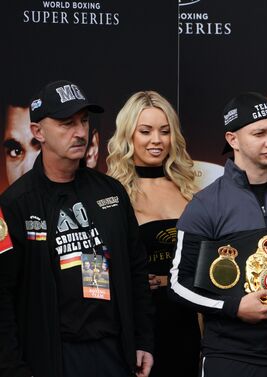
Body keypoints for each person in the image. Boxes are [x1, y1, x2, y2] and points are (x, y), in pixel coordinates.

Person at [0, 80, 154, 377]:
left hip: (114, 351)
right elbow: (2, 296)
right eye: (66, 123)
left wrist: (143, 339)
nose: (80, 132)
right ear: (38, 132)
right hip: (54, 355)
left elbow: (136, 270)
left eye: (84, 121)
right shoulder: (16, 203)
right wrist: (13, 368)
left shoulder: (111, 191)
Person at [168, 92, 267, 377]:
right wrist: (233, 307)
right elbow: (179, 284)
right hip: (232, 355)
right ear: (233, 140)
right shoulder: (206, 205)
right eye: (259, 133)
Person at [107, 90, 201, 377]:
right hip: (140, 321)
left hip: (187, 318)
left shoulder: (189, 189)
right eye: (145, 131)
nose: (157, 140)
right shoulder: (112, 193)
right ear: (128, 136)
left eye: (164, 131)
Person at [2, 102, 100, 188]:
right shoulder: (7, 204)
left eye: (41, 146)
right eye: (16, 152)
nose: (27, 170)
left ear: (91, 150)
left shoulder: (111, 193)